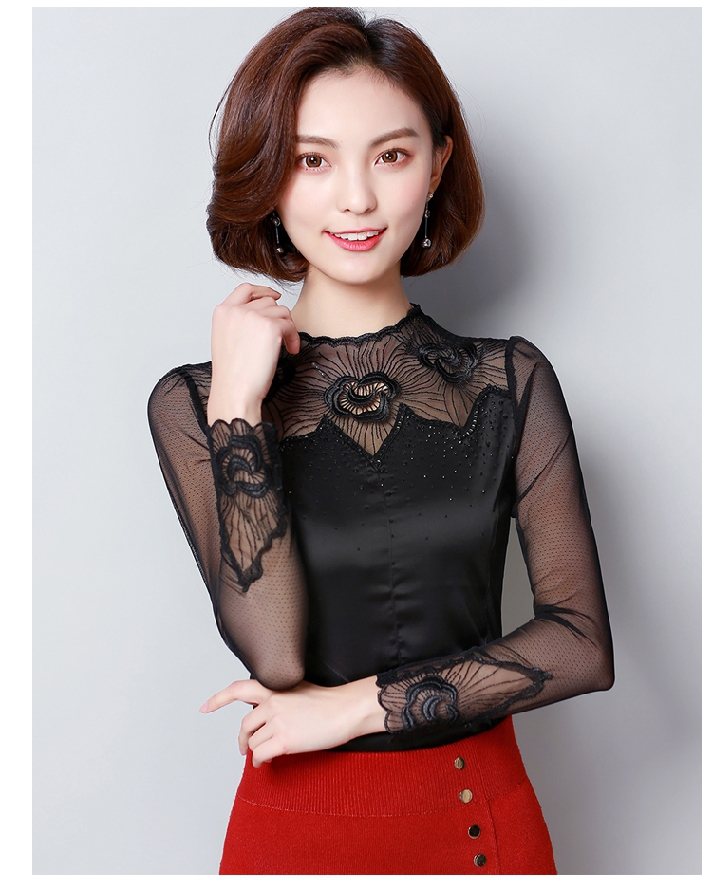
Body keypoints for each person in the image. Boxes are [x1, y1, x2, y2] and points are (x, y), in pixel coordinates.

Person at [147, 7, 614, 876]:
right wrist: (241, 403)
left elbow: (580, 645)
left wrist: (353, 708)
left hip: (482, 823)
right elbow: (277, 655)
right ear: (269, 177)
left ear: (436, 165)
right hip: (298, 832)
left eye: (390, 156)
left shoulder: (508, 381)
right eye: (312, 160)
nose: (355, 199)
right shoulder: (199, 402)